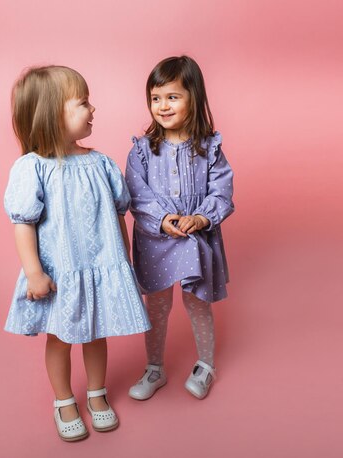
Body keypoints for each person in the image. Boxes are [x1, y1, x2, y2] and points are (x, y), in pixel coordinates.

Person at [4, 65, 150, 441]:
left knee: (96, 333)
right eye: (83, 103)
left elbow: (118, 215)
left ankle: (97, 394)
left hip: (101, 265)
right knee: (60, 337)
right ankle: (64, 399)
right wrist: (34, 272)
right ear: (54, 114)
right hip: (61, 271)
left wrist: (123, 264)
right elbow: (24, 223)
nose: (93, 109)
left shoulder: (100, 162)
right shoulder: (33, 168)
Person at [126, 56, 234, 401]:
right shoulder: (142, 151)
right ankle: (154, 367)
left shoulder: (209, 148)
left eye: (172, 97)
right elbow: (136, 193)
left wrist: (202, 217)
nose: (162, 106)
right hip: (156, 240)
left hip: (195, 239)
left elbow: (222, 190)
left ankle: (205, 364)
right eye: (156, 98)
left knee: (197, 303)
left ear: (194, 98)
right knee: (156, 306)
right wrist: (160, 218)